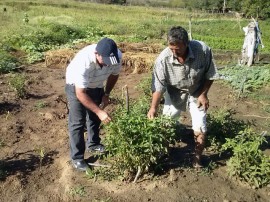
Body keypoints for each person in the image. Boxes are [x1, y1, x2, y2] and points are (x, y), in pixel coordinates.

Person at [147, 26, 218, 168]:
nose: (174, 52)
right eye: (171, 48)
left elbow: (210, 74)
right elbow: (158, 86)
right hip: (174, 92)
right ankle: (165, 150)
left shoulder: (202, 51)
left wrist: (204, 94)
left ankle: (197, 159)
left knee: (200, 125)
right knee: (167, 122)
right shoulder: (163, 59)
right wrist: (153, 107)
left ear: (187, 43)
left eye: (177, 49)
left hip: (197, 90)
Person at [65, 37, 122, 171]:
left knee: (94, 118)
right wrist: (99, 111)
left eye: (111, 62)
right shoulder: (83, 62)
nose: (108, 65)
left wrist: (106, 94)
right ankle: (77, 158)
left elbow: (114, 74)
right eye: (105, 61)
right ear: (97, 54)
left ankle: (93, 144)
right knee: (78, 122)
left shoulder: (117, 56)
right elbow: (81, 93)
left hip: (96, 84)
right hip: (76, 87)